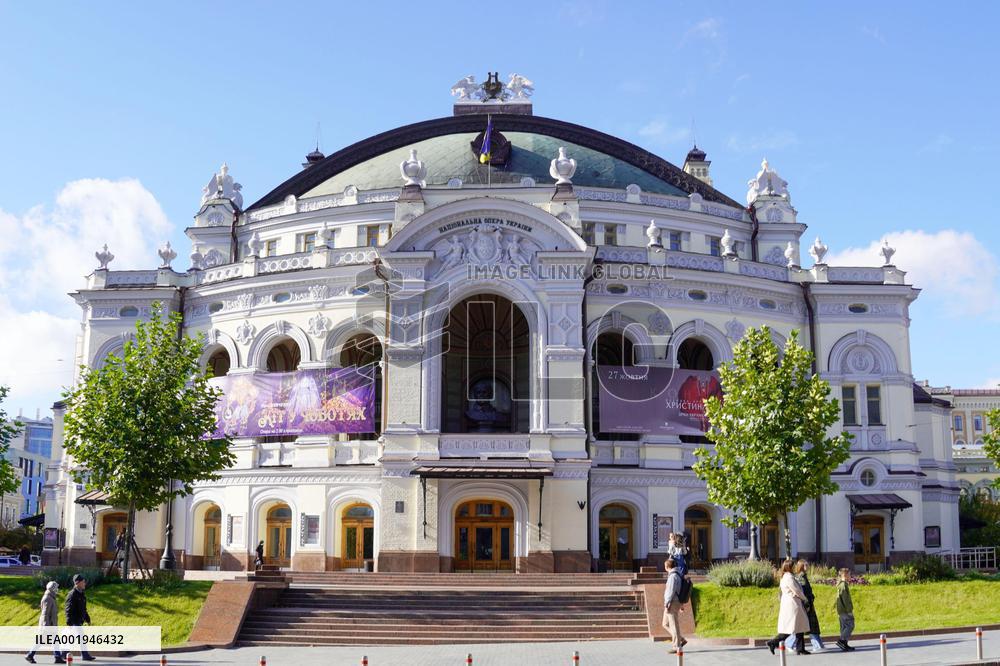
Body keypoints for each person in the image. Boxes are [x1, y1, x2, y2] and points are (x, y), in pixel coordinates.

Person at [766, 560, 810, 656]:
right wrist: (804, 598)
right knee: (791, 628)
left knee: (799, 627)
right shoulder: (789, 578)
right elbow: (797, 590)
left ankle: (800, 648)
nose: (795, 568)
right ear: (789, 567)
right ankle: (773, 642)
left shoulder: (786, 577)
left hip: (792, 603)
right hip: (793, 604)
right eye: (793, 566)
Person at [784, 560, 825, 652]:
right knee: (804, 626)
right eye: (806, 565)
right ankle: (816, 645)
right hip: (805, 605)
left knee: (808, 626)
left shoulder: (803, 576)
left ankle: (817, 644)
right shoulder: (800, 577)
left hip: (808, 603)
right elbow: (801, 591)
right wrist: (807, 601)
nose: (808, 566)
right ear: (802, 566)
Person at [25, 581, 64, 664]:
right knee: (42, 641)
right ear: (52, 588)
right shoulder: (48, 598)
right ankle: (30, 655)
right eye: (55, 587)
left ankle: (57, 657)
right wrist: (46, 626)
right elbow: (45, 614)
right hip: (47, 625)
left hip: (50, 624)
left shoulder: (51, 597)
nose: (57, 589)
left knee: (54, 641)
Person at [64, 574, 95, 662]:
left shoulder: (81, 594)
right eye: (83, 582)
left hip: (78, 620)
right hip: (74, 621)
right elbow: (68, 609)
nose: (85, 583)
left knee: (72, 638)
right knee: (80, 637)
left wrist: (87, 619)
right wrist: (69, 622)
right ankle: (85, 655)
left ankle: (63, 653)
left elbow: (83, 609)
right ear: (78, 583)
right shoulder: (72, 594)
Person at [661, 558, 687, 654]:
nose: (664, 568)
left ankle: (677, 646)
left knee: (673, 625)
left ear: (668, 567)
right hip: (673, 602)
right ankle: (681, 639)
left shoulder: (673, 576)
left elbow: (671, 590)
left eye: (665, 566)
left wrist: (667, 602)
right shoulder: (677, 574)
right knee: (665, 623)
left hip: (672, 602)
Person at [835, 568, 856, 652]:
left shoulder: (841, 584)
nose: (850, 576)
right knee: (850, 625)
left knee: (844, 627)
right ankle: (841, 640)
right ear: (845, 575)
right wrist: (849, 611)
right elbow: (845, 599)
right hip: (844, 610)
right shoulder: (843, 585)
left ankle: (844, 644)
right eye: (849, 574)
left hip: (841, 610)